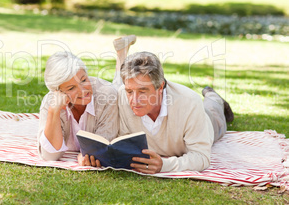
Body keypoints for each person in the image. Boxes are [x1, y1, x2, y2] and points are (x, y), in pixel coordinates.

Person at [112, 35, 234, 174]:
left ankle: (213, 96)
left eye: (142, 91)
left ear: (160, 87)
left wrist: (164, 165)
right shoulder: (122, 95)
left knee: (214, 109)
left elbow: (201, 157)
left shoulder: (189, 103)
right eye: (130, 91)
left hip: (208, 120)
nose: (134, 100)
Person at [37, 51, 119, 167]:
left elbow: (105, 142)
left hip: (114, 91)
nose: (83, 90)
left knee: (120, 87)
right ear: (58, 91)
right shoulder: (49, 102)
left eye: (84, 80)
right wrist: (53, 111)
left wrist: (86, 154)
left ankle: (121, 54)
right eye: (71, 88)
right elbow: (50, 156)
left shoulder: (108, 95)